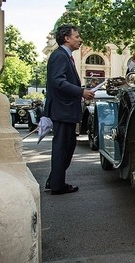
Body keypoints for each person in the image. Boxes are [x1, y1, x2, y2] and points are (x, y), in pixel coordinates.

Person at [44, 24, 95, 195]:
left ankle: (54, 180)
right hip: (63, 110)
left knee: (67, 145)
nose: (80, 39)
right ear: (67, 38)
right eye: (77, 36)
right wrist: (81, 91)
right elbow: (58, 82)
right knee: (62, 147)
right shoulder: (60, 56)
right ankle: (57, 185)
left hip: (65, 110)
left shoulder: (64, 56)